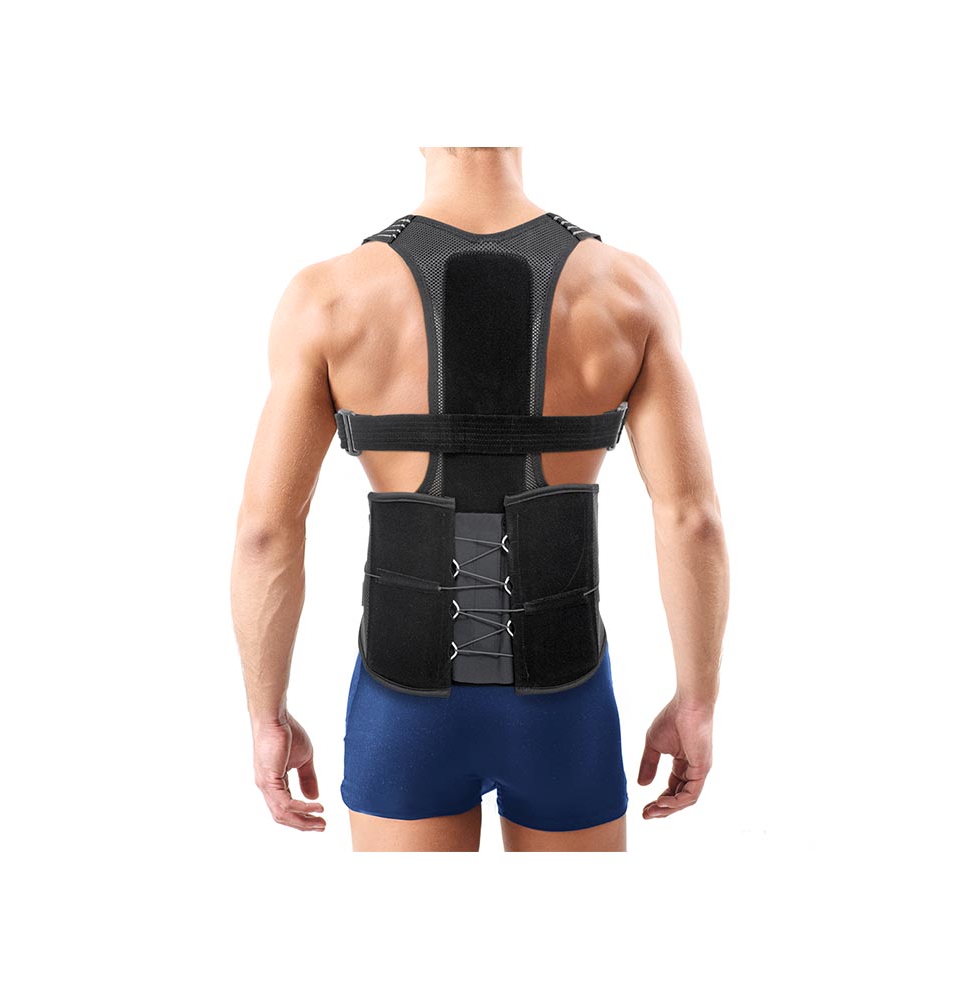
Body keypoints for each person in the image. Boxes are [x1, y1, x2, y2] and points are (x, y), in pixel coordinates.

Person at [230, 146, 729, 852]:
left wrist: (267, 717)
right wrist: (697, 703)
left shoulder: (329, 298)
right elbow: (692, 519)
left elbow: (265, 532)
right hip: (565, 705)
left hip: (402, 708)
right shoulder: (626, 290)